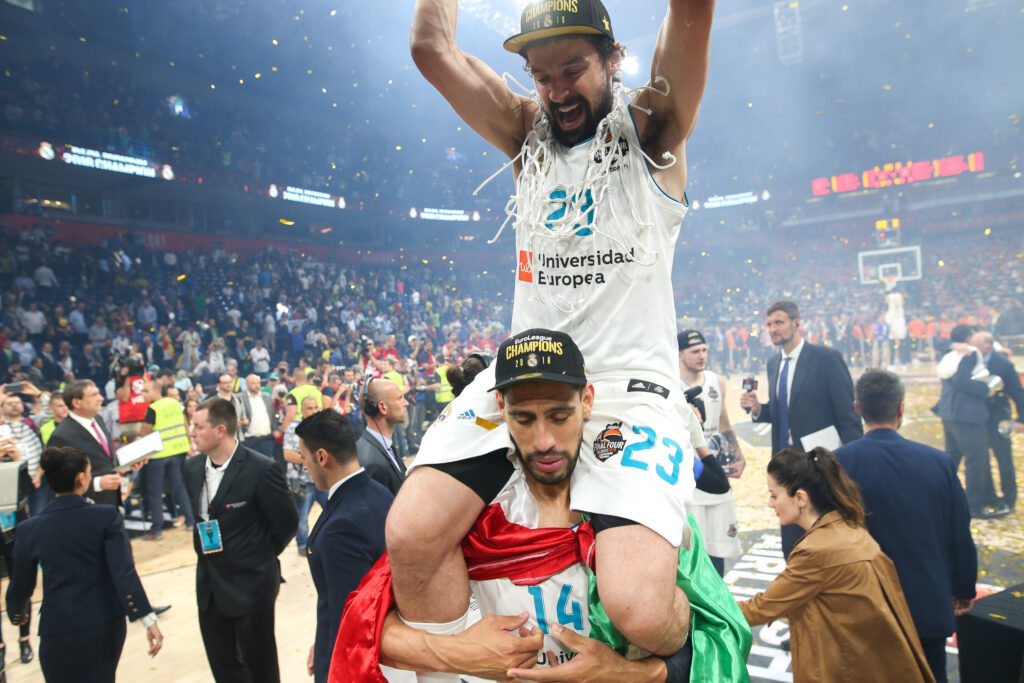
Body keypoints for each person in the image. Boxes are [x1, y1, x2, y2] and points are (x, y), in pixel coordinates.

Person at [394, 0, 715, 663]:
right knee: (412, 534)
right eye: (542, 76)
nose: (558, 92)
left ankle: (702, 620)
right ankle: (465, 670)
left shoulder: (653, 128)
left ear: (613, 59)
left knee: (639, 608)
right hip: (526, 378)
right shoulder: (525, 133)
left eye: (573, 70)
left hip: (627, 390)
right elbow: (431, 50)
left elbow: (692, 11)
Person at [332, 329, 751, 683]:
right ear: (501, 409)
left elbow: (715, 636)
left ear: (587, 402)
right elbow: (366, 625)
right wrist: (458, 654)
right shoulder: (470, 514)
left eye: (559, 416)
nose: (544, 441)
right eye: (525, 419)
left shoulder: (639, 509)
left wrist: (624, 673)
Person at [738, 447, 933, 683]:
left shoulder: (816, 552)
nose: (771, 504)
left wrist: (703, 610)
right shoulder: (850, 530)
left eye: (774, 495)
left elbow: (761, 608)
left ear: (800, 498)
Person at [836, 369, 976, 683]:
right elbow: (959, 531)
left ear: (857, 408)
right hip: (925, 607)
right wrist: (964, 587)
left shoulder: (837, 463)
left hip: (862, 610)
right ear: (901, 408)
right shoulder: (939, 462)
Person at [5, 446, 163, 682]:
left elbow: (21, 584)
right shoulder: (106, 516)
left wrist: (17, 614)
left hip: (56, 629)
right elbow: (123, 572)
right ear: (82, 479)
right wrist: (147, 618)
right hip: (103, 624)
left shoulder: (29, 529)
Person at [184, 397, 298, 683]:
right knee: (224, 668)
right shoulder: (192, 468)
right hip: (210, 588)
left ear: (220, 431)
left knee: (260, 669)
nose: (191, 432)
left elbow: (286, 523)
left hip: (251, 587)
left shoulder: (261, 469)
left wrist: (257, 554)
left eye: (198, 426)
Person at [739, 299, 862, 556]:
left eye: (779, 322)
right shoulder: (774, 364)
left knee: (826, 538)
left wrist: (850, 467)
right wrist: (760, 409)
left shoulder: (826, 359)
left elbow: (847, 415)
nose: (773, 329)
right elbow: (784, 411)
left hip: (821, 465)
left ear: (797, 323)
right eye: (769, 324)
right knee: (793, 542)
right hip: (786, 466)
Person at [297, 409, 393, 683]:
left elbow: (349, 621)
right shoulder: (378, 492)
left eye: (304, 457)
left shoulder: (340, 527)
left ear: (321, 457)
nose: (304, 466)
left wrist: (328, 662)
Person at [678, 329, 744, 576]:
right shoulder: (670, 385)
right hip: (690, 476)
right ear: (680, 354)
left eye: (704, 350)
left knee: (718, 551)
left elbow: (724, 424)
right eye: (695, 351)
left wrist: (737, 454)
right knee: (692, 553)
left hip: (715, 471)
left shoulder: (717, 381)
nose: (702, 355)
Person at [931, 325, 1000, 519]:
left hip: (949, 412)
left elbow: (941, 344)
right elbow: (962, 380)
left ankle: (942, 499)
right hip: (967, 415)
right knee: (976, 460)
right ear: (968, 338)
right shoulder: (970, 354)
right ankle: (974, 505)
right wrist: (986, 390)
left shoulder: (950, 353)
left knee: (952, 458)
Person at [969, 330, 1024, 512]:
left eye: (976, 345)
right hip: (977, 418)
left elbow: (1018, 392)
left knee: (1004, 459)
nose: (971, 348)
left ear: (987, 347)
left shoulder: (1003, 364)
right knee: (982, 459)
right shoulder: (970, 359)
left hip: (998, 417)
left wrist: (1022, 419)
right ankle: (989, 496)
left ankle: (1009, 499)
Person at [138, 380, 194, 539]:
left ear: (156, 391)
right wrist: (188, 444)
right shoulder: (175, 403)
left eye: (146, 391)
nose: (143, 394)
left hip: (158, 455)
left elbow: (144, 433)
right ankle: (190, 521)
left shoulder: (153, 409)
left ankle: (157, 529)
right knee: (179, 487)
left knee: (155, 491)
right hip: (178, 450)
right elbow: (184, 424)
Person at [283, 395, 329, 554]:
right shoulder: (293, 428)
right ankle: (302, 544)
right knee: (302, 516)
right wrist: (311, 460)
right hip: (303, 480)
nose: (314, 411)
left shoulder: (324, 427)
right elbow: (288, 454)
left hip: (324, 479)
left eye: (316, 407)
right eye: (310, 408)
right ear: (302, 410)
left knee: (333, 511)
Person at [356, 377, 408, 495]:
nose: (406, 403)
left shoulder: (383, 445)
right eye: (400, 398)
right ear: (382, 407)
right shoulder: (373, 464)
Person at [236, 374, 279, 463]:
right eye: (253, 383)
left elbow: (272, 415)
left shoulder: (267, 397)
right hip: (249, 439)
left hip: (267, 438)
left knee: (268, 465)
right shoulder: (240, 399)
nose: (257, 386)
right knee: (251, 465)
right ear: (247, 385)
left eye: (258, 383)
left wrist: (275, 429)